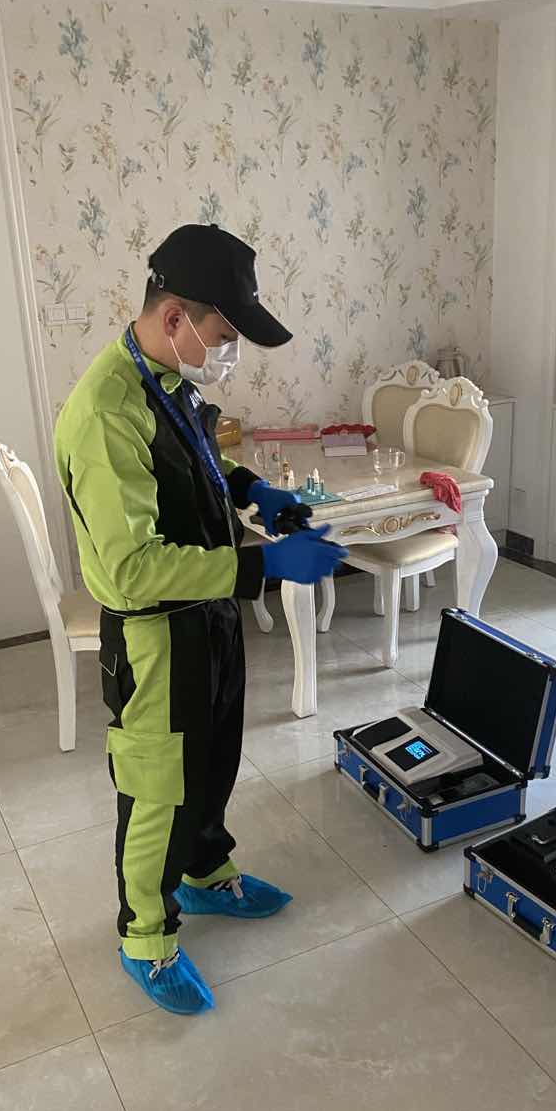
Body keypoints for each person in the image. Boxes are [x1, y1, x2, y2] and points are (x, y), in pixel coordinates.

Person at [54, 224, 347, 1016]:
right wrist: (261, 569)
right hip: (155, 635)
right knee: (157, 790)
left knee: (214, 760)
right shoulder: (106, 411)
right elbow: (130, 569)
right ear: (175, 317)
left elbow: (194, 457)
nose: (228, 354)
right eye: (223, 336)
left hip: (207, 613)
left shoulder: (164, 380)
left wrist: (252, 490)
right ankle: (146, 938)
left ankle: (207, 873)